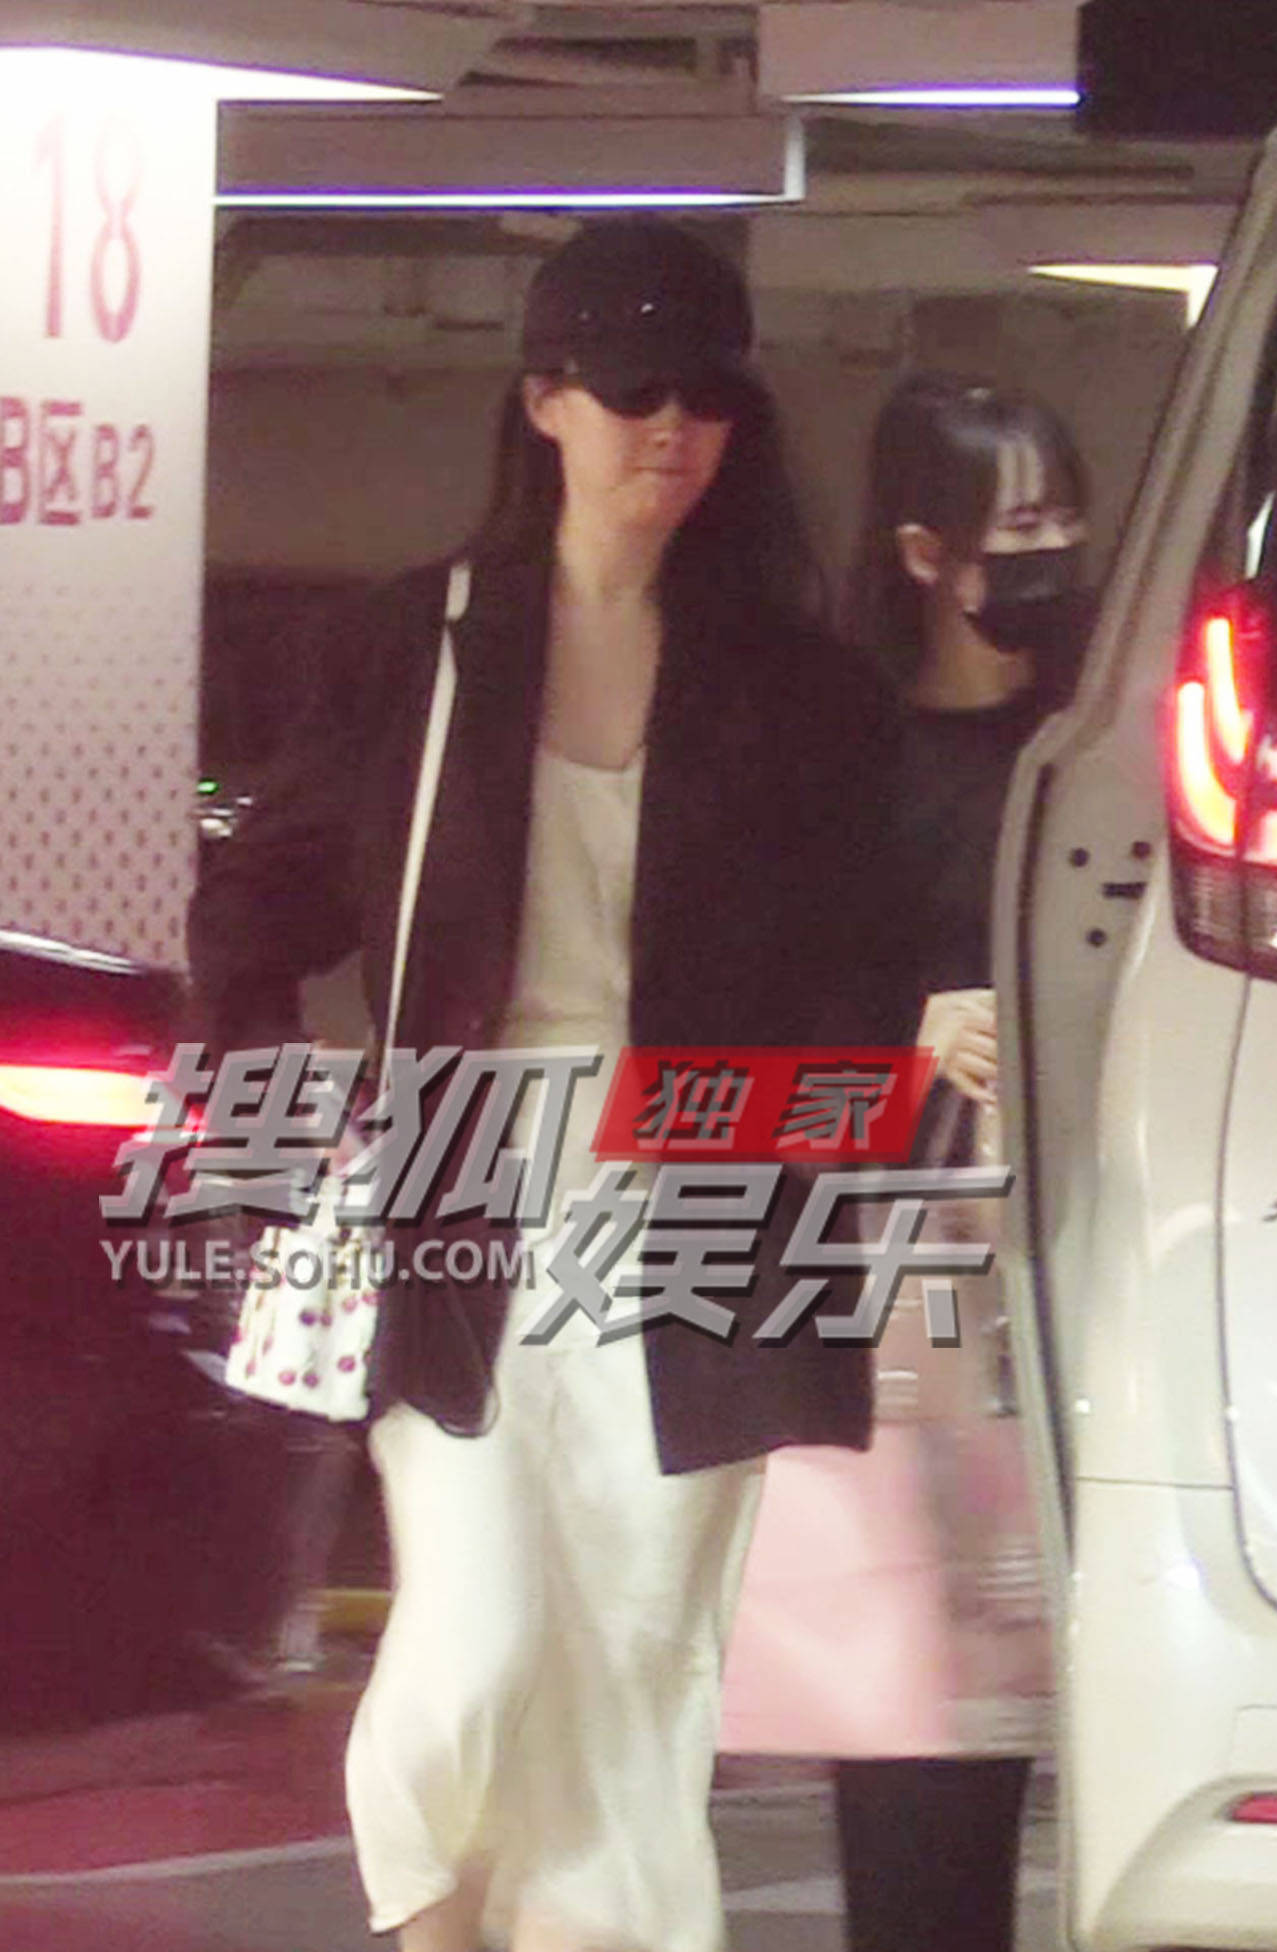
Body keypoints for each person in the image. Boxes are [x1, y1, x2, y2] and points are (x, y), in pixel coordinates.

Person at [184, 217, 916, 1952]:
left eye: (709, 398)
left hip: (700, 1200)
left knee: (644, 1664)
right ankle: (431, 1911)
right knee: (484, 1635)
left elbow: (857, 979)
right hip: (467, 1198)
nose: (673, 430)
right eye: (634, 390)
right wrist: (274, 1140)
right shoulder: (420, 651)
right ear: (545, 403)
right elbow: (254, 909)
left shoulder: (800, 691)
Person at [738, 373, 1093, 1952]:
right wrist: (910, 1032)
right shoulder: (837, 751)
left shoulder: (1096, 747)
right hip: (908, 1266)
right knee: (920, 1708)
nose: (1052, 558)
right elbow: (760, 1028)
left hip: (1082, 1236)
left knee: (1065, 1698)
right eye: (1019, 529)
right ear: (923, 553)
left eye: (1067, 522)